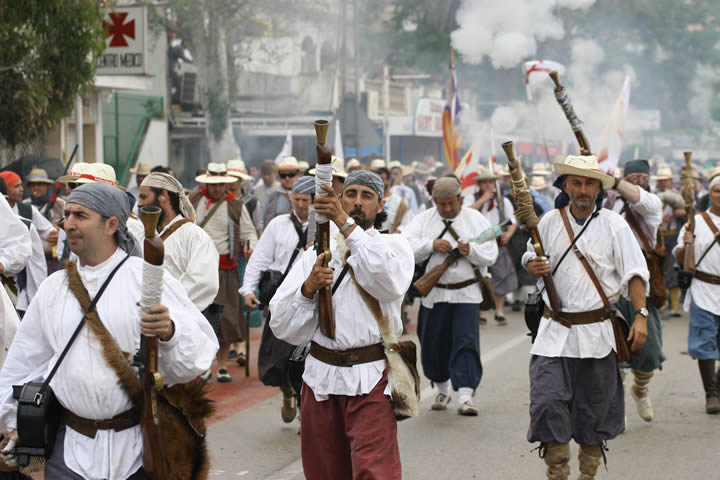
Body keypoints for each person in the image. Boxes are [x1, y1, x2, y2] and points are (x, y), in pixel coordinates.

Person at [0, 182, 218, 479]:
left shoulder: (147, 279)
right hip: (69, 450)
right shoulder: (53, 289)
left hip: (139, 451)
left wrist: (170, 331)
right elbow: (23, 362)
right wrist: (14, 422)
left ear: (111, 224)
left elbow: (198, 355)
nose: (69, 224)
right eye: (68, 215)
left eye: (81, 215)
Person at [270, 171, 413, 479]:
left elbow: (386, 283)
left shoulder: (395, 247)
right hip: (320, 378)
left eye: (366, 195)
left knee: (374, 472)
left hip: (372, 377)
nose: (357, 202)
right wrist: (307, 289)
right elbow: (281, 324)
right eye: (350, 194)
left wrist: (345, 224)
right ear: (341, 197)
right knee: (324, 472)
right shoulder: (315, 254)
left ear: (380, 204)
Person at [524, 155, 649, 480]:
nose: (582, 189)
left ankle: (588, 474)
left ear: (598, 188)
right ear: (565, 185)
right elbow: (530, 253)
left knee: (595, 412)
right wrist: (532, 265)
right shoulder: (549, 222)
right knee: (547, 403)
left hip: (597, 335)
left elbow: (635, 273)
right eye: (576, 182)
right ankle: (557, 471)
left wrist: (641, 316)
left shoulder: (614, 224)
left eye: (589, 183)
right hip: (553, 333)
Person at [403, 176, 498, 416]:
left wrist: (471, 250)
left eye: (451, 204)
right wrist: (431, 245)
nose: (446, 209)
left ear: (460, 199)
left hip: (466, 293)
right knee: (433, 344)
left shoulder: (475, 219)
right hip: (433, 294)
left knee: (465, 343)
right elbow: (405, 248)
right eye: (441, 204)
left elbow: (490, 254)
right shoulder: (423, 220)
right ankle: (442, 390)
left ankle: (465, 395)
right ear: (434, 201)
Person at [240, 176, 315, 424]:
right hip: (279, 300)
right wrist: (248, 289)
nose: (301, 205)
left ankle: (305, 408)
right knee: (279, 359)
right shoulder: (277, 225)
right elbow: (260, 259)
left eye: (306, 200)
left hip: (309, 302)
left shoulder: (324, 227)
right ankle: (287, 393)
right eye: (297, 199)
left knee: (305, 358)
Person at [136, 172, 220, 379]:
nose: (139, 204)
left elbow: (203, 283)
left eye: (144, 197)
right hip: (143, 326)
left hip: (180, 330)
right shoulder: (142, 236)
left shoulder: (194, 236)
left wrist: (166, 309)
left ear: (163, 196)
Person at [604, 159, 666, 423]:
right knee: (615, 352)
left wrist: (617, 182)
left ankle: (640, 389)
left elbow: (641, 199)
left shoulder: (652, 204)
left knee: (649, 353)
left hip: (641, 282)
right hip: (611, 282)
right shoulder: (609, 202)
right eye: (634, 176)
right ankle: (617, 407)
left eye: (642, 176)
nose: (638, 180)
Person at [190, 163, 258, 383]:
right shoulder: (194, 201)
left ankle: (221, 366)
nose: (218, 189)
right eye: (214, 184)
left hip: (225, 268)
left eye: (221, 184)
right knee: (200, 317)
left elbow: (248, 232)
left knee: (226, 318)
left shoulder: (235, 205)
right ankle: (205, 365)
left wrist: (250, 247)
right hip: (197, 268)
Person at [673, 175, 720, 414]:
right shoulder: (696, 221)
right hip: (704, 290)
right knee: (705, 342)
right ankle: (711, 393)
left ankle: (718, 386)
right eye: (717, 191)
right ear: (710, 194)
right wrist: (686, 245)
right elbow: (680, 259)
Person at [464, 166, 518, 325]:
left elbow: (512, 221)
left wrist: (508, 234)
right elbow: (464, 213)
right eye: (484, 182)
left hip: (498, 243)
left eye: (490, 182)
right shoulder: (471, 198)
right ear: (479, 184)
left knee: (501, 276)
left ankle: (499, 311)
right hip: (478, 244)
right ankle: (482, 312)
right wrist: (482, 200)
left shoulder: (503, 200)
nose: (488, 185)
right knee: (480, 277)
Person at [0, 171, 58, 253]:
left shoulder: (27, 209)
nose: (21, 189)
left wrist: (53, 235)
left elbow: (48, 231)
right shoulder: (26, 204)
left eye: (40, 184)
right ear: (4, 190)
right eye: (16, 186)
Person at [370, 161, 413, 234]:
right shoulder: (370, 200)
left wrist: (392, 237)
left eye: (382, 179)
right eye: (377, 180)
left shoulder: (399, 202)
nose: (379, 182)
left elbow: (406, 224)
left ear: (389, 180)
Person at [261, 156, 301, 230]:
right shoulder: (272, 197)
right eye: (283, 175)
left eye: (291, 175)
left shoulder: (307, 195)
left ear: (298, 174)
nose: (287, 178)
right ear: (279, 176)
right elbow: (262, 221)